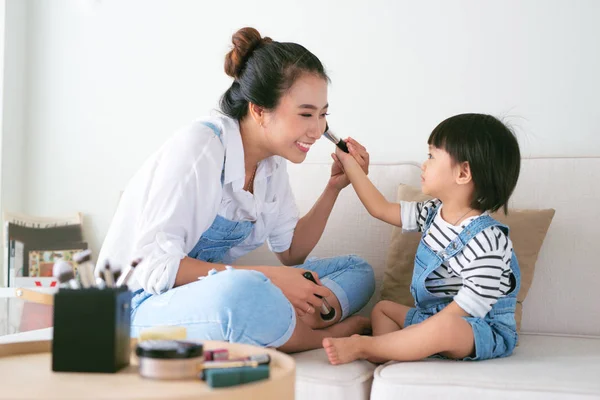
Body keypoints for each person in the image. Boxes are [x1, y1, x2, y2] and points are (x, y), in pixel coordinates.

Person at [97, 27, 375, 353]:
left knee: (358, 270)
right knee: (241, 292)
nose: (317, 130)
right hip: (137, 305)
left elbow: (291, 251)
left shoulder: (271, 164)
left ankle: (275, 324)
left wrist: (333, 188)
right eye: (305, 114)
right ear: (258, 110)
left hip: (213, 296)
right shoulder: (200, 148)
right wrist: (270, 280)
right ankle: (317, 336)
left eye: (323, 115)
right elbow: (155, 267)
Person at [323, 113, 521, 363]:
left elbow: (469, 307)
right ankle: (391, 353)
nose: (424, 165)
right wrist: (349, 163)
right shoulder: (430, 212)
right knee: (383, 309)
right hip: (431, 318)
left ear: (463, 172)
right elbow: (380, 208)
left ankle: (371, 346)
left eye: (431, 156)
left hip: (478, 329)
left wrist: (423, 332)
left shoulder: (489, 239)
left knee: (444, 328)